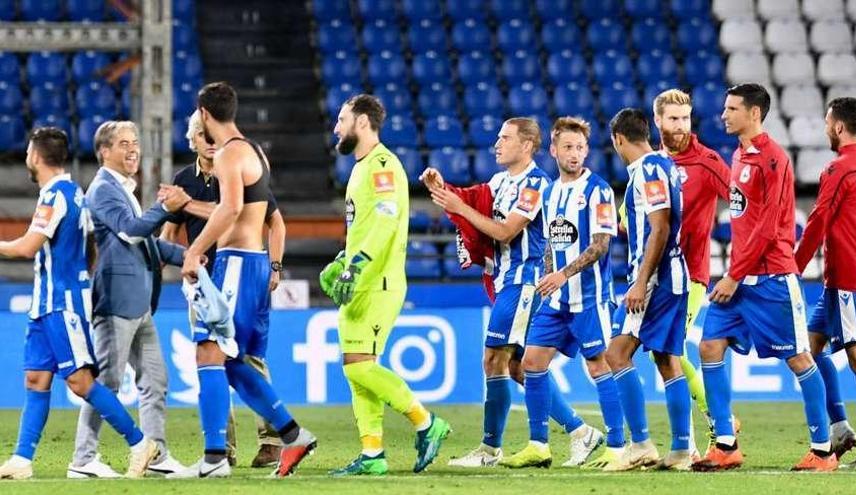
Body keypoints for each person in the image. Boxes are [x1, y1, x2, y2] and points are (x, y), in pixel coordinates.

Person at [173, 82, 316, 478]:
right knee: (232, 362)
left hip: (236, 263)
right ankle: (292, 435)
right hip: (253, 263)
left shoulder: (229, 154)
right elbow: (263, 213)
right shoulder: (254, 151)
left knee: (209, 351)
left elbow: (230, 209)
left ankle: (215, 458)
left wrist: (193, 249)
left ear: (204, 113)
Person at [0, 127, 158, 480]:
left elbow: (27, 247)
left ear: (37, 157)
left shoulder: (56, 196)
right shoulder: (75, 194)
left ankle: (138, 443)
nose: (27, 158)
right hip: (45, 305)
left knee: (80, 381)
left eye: (28, 153)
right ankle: (22, 460)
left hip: (60, 304)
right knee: (36, 378)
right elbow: (92, 249)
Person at [694, 83, 835, 472]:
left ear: (754, 113)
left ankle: (823, 450)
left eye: (732, 108)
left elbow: (772, 227)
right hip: (741, 281)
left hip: (771, 279)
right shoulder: (740, 154)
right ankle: (725, 444)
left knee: (799, 358)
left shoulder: (773, 159)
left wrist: (733, 275)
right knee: (709, 347)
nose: (723, 114)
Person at [427, 118, 579, 467]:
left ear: (526, 146)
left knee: (494, 360)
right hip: (506, 280)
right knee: (517, 366)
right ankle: (580, 431)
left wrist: (459, 207)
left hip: (525, 281)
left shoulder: (536, 183)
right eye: (497, 137)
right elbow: (470, 201)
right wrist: (442, 188)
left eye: (505, 138)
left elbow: (507, 231)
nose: (497, 143)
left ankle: (489, 449)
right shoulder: (499, 181)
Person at [318, 94, 450, 476]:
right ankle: (372, 454)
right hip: (362, 280)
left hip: (380, 280)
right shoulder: (360, 169)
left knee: (359, 368)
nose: (336, 127)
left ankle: (427, 422)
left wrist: (356, 265)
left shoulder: (382, 166)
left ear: (362, 122)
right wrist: (343, 260)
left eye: (342, 120)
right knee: (357, 367)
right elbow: (363, 228)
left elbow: (386, 222)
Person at [160, 109, 286, 468]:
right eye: (202, 136)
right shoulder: (184, 179)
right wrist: (178, 259)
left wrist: (274, 265)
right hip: (203, 284)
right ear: (193, 141)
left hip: (240, 275)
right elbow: (168, 235)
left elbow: (275, 224)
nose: (210, 142)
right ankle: (224, 446)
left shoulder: (240, 166)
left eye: (210, 134)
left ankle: (274, 437)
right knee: (212, 360)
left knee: (247, 358)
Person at [70, 120, 189, 478]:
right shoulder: (103, 189)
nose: (133, 148)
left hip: (139, 304)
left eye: (135, 142)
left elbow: (148, 243)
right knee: (106, 381)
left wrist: (191, 254)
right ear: (104, 151)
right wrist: (165, 207)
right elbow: (132, 231)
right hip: (116, 301)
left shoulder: (123, 188)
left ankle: (155, 456)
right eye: (123, 143)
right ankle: (83, 459)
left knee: (155, 380)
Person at [498, 117, 617, 469]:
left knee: (599, 365)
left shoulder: (599, 190)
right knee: (531, 364)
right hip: (557, 298)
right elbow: (551, 240)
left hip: (589, 296)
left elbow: (601, 245)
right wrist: (549, 274)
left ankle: (617, 445)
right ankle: (539, 445)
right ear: (553, 150)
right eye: (568, 147)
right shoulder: (549, 193)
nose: (575, 153)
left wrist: (563, 274)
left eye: (581, 147)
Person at [794, 97, 856, 467]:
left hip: (847, 277)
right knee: (809, 349)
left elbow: (817, 222)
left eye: (828, 124)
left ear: (840, 127)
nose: (826, 129)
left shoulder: (837, 169)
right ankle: (840, 427)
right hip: (855, 277)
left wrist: (792, 266)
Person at [605, 108, 692, 471]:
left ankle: (640, 443)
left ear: (618, 139)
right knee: (666, 359)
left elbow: (660, 225)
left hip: (657, 279)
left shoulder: (648, 170)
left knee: (616, 353)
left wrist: (641, 281)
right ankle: (682, 450)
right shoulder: (664, 165)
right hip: (671, 274)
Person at [652, 89, 733, 452]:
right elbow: (628, 216)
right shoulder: (652, 163)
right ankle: (687, 442)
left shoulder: (708, 161)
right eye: (673, 119)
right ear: (658, 121)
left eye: (685, 119)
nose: (681, 126)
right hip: (656, 276)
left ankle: (718, 418)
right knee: (663, 354)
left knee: (674, 349)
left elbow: (742, 200)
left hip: (693, 273)